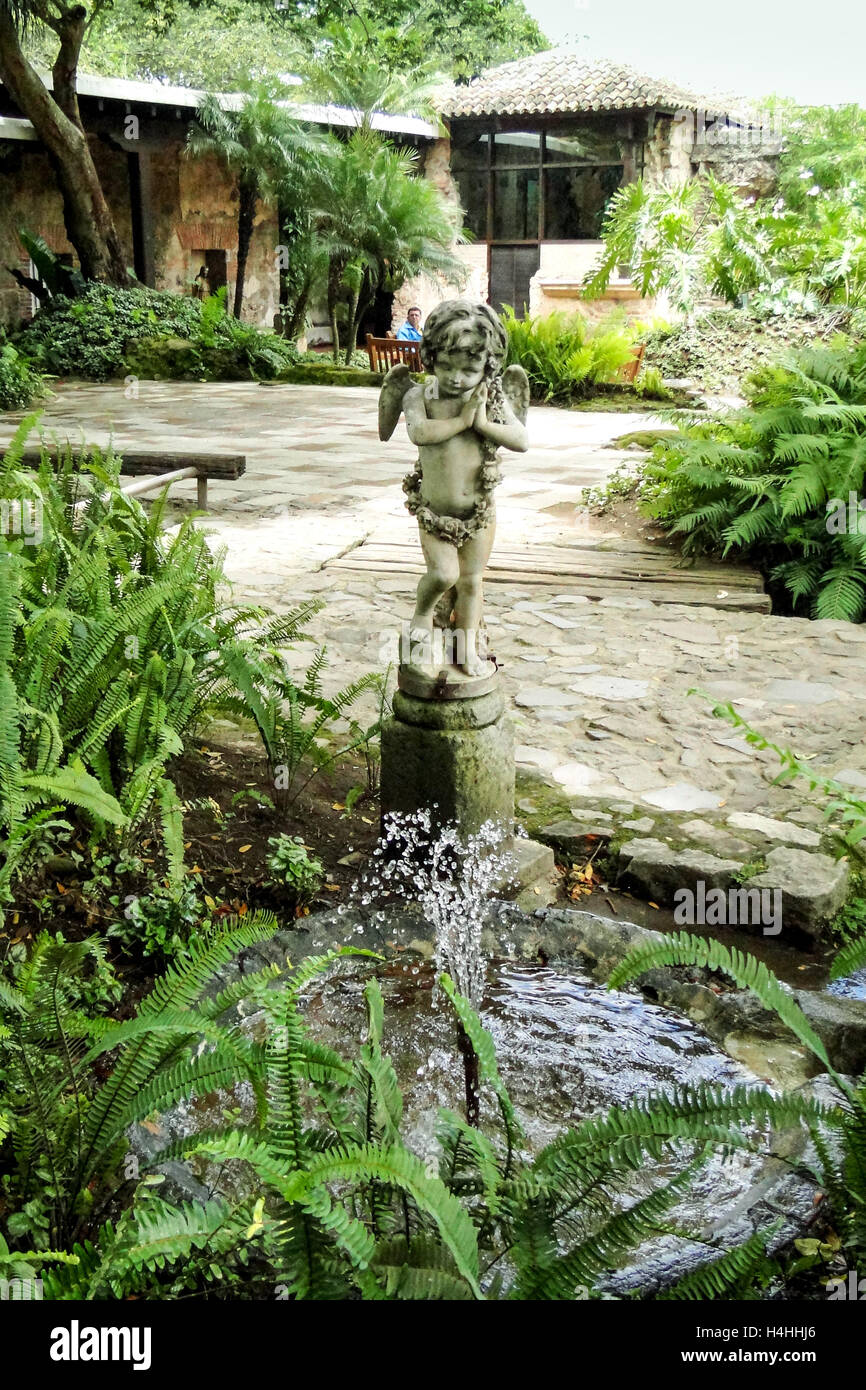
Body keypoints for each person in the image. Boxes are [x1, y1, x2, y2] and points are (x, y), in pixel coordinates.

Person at [380, 301, 529, 680]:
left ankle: (466, 651)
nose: (457, 379)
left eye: (469, 370)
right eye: (446, 366)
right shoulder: (420, 397)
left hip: (479, 512)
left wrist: (482, 423)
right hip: (435, 513)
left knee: (471, 582)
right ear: (430, 358)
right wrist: (464, 421)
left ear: (488, 367)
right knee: (443, 574)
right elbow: (419, 433)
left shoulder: (491, 399)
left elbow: (521, 440)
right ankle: (422, 616)